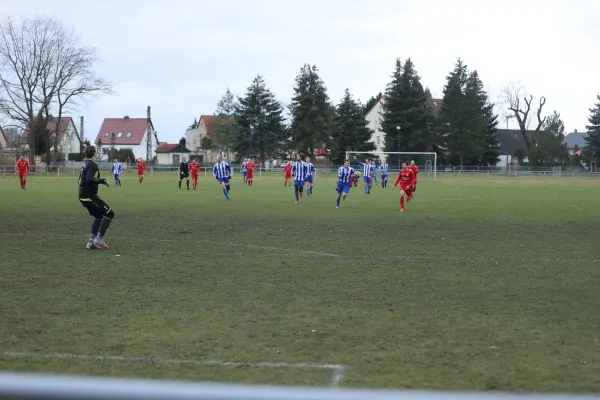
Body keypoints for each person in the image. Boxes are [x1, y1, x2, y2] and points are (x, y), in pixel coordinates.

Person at [78, 146, 114, 249]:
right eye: (96, 152)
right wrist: (102, 180)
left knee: (99, 216)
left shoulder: (84, 164)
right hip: (89, 196)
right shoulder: (92, 164)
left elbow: (81, 180)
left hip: (83, 195)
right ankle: (98, 239)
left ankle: (91, 242)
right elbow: (90, 178)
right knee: (110, 213)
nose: (97, 154)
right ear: (94, 154)